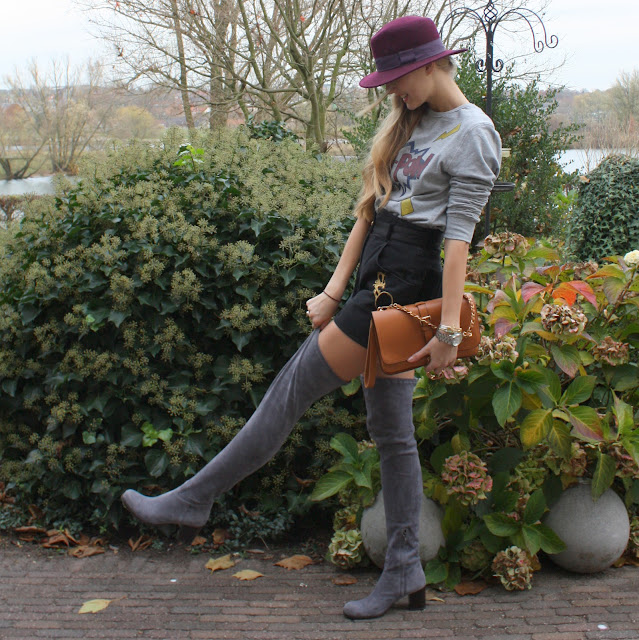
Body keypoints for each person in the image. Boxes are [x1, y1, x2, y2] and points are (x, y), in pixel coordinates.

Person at [121, 15, 501, 620]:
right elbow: (369, 214)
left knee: (290, 391)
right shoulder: (413, 121)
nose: (392, 90)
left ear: (432, 64)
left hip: (402, 287)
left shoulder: (475, 133)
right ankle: (405, 569)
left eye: (399, 78)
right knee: (393, 435)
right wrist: (332, 290)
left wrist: (450, 332)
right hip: (378, 279)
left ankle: (194, 499)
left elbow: (457, 242)